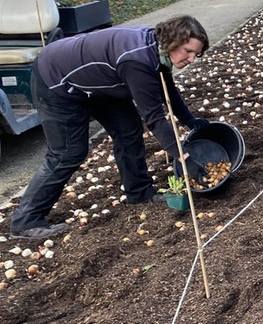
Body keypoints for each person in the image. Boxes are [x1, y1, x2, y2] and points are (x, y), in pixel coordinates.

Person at [9, 15, 212, 240]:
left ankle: (139, 192)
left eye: (197, 54)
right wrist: (184, 157)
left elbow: (168, 90)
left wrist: (191, 121)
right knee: (68, 152)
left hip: (100, 80)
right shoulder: (137, 61)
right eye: (188, 51)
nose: (192, 59)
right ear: (173, 42)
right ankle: (25, 221)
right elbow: (154, 117)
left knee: (128, 130)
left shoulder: (160, 50)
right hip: (58, 79)